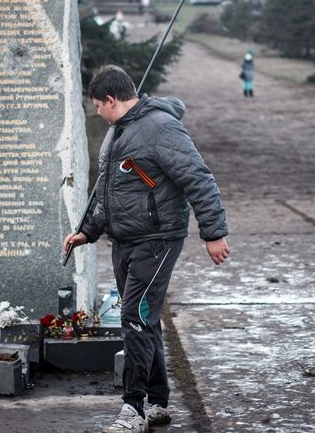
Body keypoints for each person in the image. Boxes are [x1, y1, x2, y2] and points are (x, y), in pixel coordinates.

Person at [63, 65, 230, 433]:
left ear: (110, 100)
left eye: (97, 105)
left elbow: (198, 178)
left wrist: (213, 233)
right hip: (125, 240)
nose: (97, 112)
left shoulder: (160, 128)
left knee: (135, 318)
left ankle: (133, 409)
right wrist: (87, 231)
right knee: (144, 319)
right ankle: (157, 402)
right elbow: (107, 191)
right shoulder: (116, 132)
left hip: (157, 240)